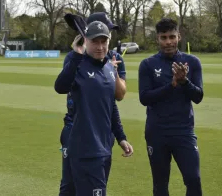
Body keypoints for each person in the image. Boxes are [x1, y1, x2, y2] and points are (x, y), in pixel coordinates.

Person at [54, 21, 133, 196]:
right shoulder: (78, 65)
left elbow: (110, 106)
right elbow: (60, 87)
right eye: (94, 42)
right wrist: (76, 55)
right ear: (85, 42)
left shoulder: (109, 69)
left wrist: (121, 137)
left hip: (104, 148)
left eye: (103, 42)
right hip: (85, 149)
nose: (100, 47)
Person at [138, 18, 203, 196]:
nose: (168, 42)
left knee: (193, 179)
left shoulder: (192, 62)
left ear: (179, 36)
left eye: (172, 37)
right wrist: (172, 85)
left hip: (184, 131)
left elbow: (198, 96)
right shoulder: (147, 65)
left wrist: (184, 81)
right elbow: (144, 98)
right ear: (157, 39)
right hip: (157, 132)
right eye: (163, 37)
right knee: (160, 185)